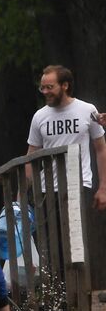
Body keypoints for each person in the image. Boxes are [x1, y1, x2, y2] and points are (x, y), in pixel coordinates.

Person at [27, 65, 106, 211]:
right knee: (52, 233)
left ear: (65, 85)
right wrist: (21, 195)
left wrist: (103, 187)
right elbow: (30, 156)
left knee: (78, 233)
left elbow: (101, 149)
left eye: (49, 87)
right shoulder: (39, 116)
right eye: (42, 88)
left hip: (80, 185)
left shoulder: (87, 110)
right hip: (47, 191)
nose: (45, 92)